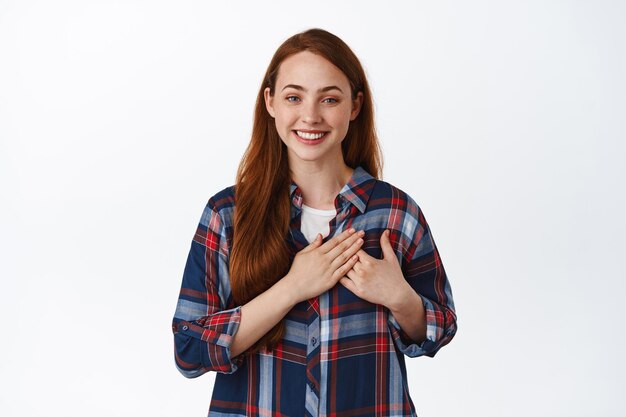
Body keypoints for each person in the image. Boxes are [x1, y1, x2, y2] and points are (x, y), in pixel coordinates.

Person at [171, 28, 457, 417]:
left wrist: (399, 296)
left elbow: (440, 329)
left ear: (354, 107)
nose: (310, 116)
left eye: (329, 99)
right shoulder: (227, 214)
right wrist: (292, 287)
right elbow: (189, 351)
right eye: (294, 97)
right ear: (270, 102)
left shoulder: (394, 213)